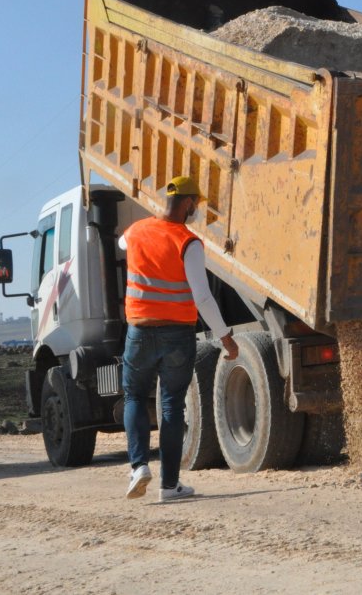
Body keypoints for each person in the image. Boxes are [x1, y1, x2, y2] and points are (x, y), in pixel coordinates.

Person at [120, 175, 238, 502]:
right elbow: (202, 298)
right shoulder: (188, 242)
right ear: (187, 204)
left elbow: (122, 244)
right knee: (172, 405)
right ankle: (169, 487)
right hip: (176, 335)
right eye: (195, 205)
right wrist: (226, 338)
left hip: (140, 332)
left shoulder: (135, 232)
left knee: (134, 397)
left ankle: (138, 466)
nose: (195, 210)